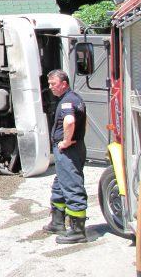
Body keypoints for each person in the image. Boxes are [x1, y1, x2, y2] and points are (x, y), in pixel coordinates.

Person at [42, 69, 88, 244]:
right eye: (50, 84)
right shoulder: (73, 98)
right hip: (72, 149)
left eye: (53, 84)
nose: (50, 87)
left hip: (69, 150)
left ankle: (78, 231)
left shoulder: (68, 101)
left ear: (63, 84)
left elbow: (69, 121)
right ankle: (58, 222)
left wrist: (66, 141)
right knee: (60, 185)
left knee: (72, 186)